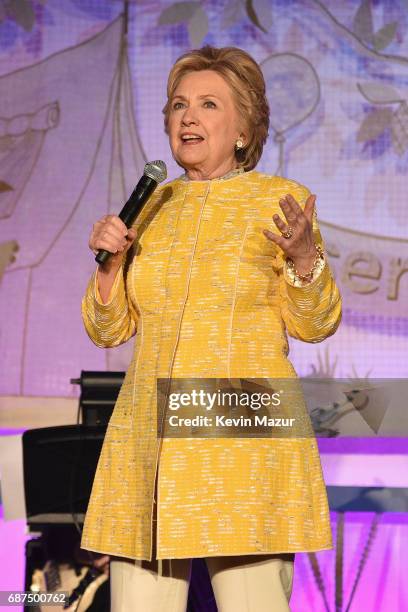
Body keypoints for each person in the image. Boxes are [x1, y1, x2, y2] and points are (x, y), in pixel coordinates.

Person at [81, 45, 342, 612]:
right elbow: (108, 330)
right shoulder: (150, 205)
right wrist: (109, 264)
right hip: (148, 429)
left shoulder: (282, 201)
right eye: (178, 105)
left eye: (207, 104)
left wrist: (304, 256)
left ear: (244, 130)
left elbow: (317, 322)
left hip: (241, 420)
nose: (188, 117)